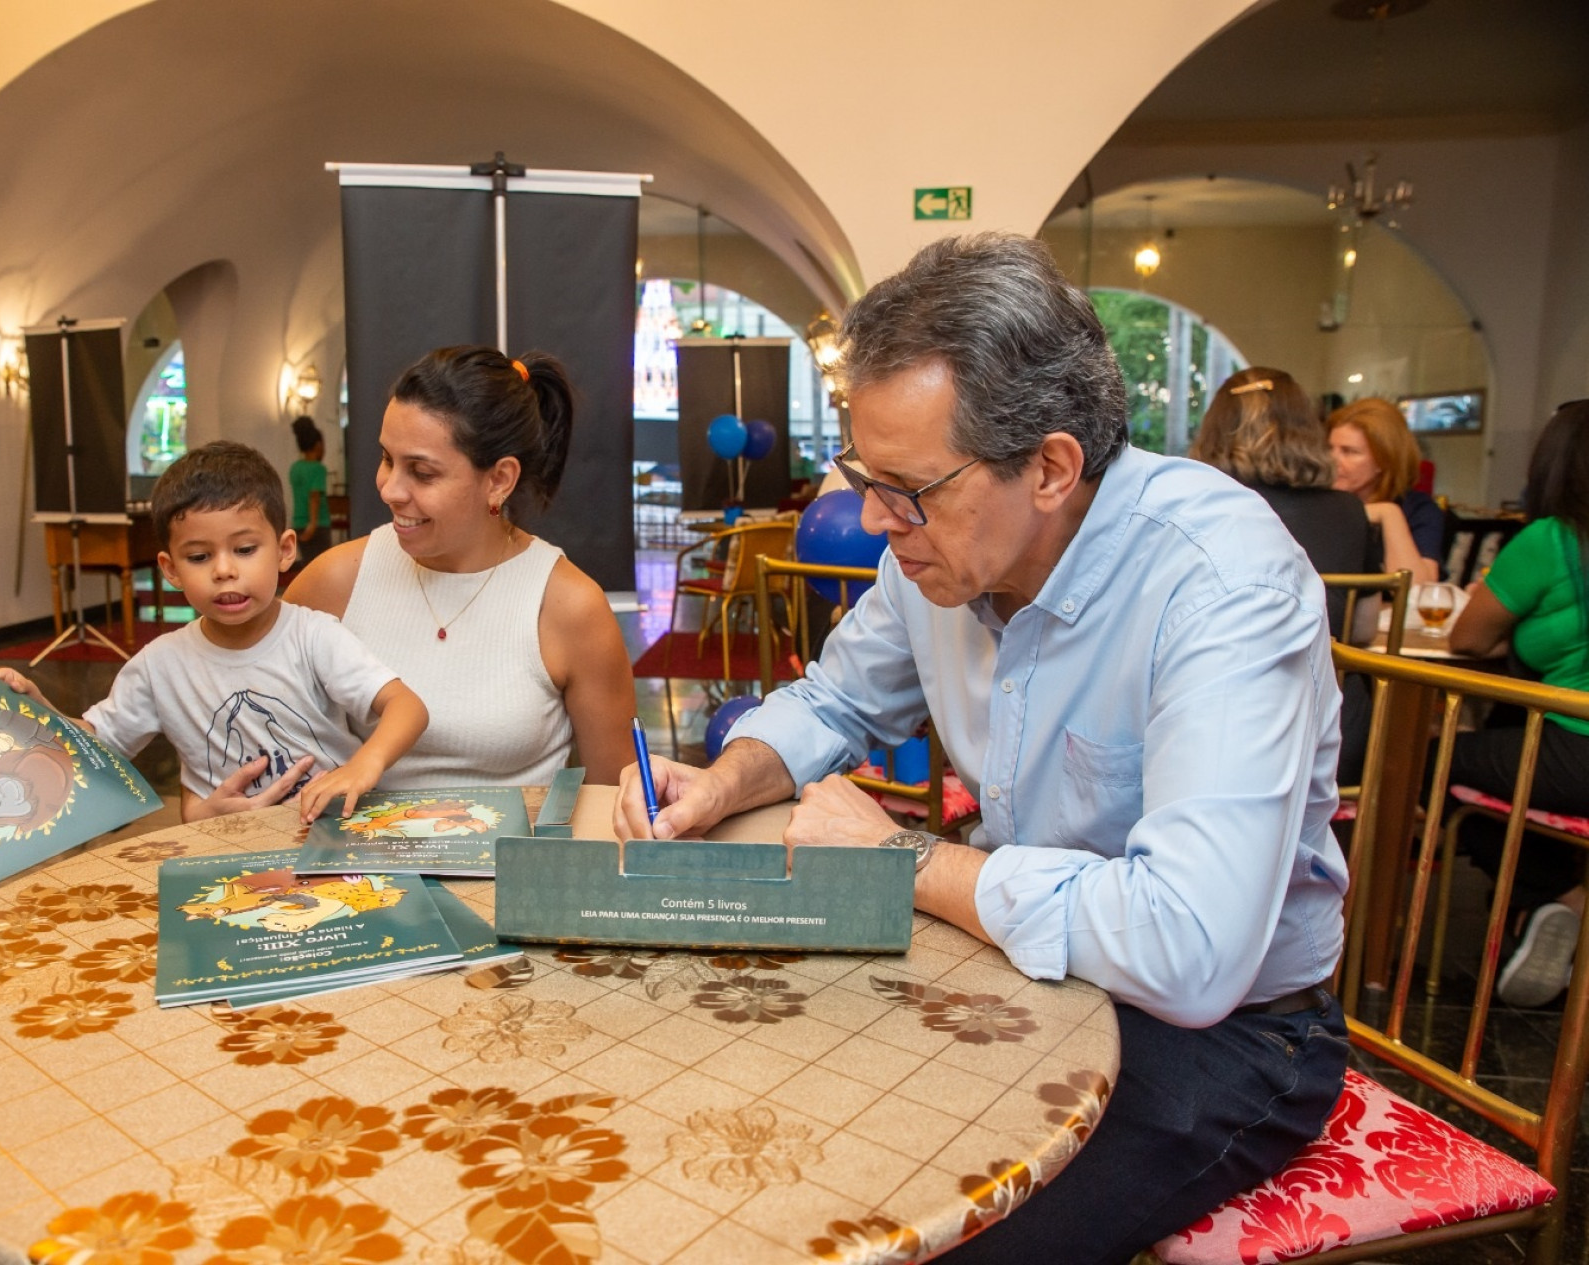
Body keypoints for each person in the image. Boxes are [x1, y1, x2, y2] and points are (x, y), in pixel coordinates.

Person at [615, 234, 1349, 1263]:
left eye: (908, 488)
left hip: (1228, 1035)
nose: (876, 520)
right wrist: (726, 775)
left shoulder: (1217, 581)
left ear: (1049, 466)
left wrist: (908, 860)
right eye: (865, 477)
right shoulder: (940, 558)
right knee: (762, 1125)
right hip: (1032, 976)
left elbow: (1189, 949)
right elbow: (834, 699)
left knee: (919, 1235)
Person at [0, 440, 427, 823]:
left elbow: (407, 707)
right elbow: (96, 748)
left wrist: (363, 766)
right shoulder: (159, 665)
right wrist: (39, 711)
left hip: (336, 832)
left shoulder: (313, 636)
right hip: (226, 846)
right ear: (170, 569)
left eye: (244, 550)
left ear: (284, 550)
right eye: (199, 557)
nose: (224, 571)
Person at [285, 346, 635, 787]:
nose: (390, 489)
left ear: (499, 480)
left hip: (510, 856)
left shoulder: (569, 606)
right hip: (358, 854)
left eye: (422, 472)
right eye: (387, 459)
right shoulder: (333, 583)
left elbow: (613, 797)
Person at [1448, 399, 1589, 1007]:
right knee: (1511, 744)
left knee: (1435, 763)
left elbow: (1468, 638)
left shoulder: (1551, 541)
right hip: (1563, 752)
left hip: (1571, 748)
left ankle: (1539, 902)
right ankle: (1563, 904)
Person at [1190, 366, 1383, 782]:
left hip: (1225, 737)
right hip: (1337, 737)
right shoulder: (1349, 511)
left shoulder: (1197, 505)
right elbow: (1364, 629)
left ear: (1213, 430)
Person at [1327, 397, 1443, 581]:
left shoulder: (1417, 509)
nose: (1331, 461)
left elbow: (1417, 591)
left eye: (1349, 452)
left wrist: (1389, 514)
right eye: (1329, 449)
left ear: (1384, 459)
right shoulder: (1316, 502)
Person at [289, 414, 330, 566]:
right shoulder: (318, 469)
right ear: (319, 445)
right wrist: (312, 524)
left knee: (307, 567)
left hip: (298, 523)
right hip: (317, 525)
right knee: (322, 567)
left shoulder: (295, 468)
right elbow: (314, 497)